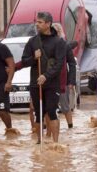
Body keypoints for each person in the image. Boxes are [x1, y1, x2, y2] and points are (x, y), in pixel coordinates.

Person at [21, 12, 66, 143]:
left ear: (48, 24)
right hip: (36, 84)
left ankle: (55, 143)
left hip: (52, 84)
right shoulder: (32, 41)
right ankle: (39, 142)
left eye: (40, 22)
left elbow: (59, 64)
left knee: (52, 111)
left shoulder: (59, 42)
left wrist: (46, 76)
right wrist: (34, 57)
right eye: (37, 22)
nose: (37, 24)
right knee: (38, 113)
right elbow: (24, 61)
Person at [53, 23, 77, 129]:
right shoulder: (46, 44)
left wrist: (71, 81)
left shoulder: (65, 46)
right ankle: (46, 128)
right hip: (49, 80)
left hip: (64, 81)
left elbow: (72, 64)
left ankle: (70, 127)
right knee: (48, 107)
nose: (56, 34)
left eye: (58, 31)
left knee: (65, 106)